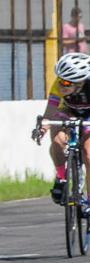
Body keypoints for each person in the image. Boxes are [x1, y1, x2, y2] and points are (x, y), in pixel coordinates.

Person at [32, 52, 90, 212]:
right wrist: (42, 128)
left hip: (88, 114)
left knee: (89, 154)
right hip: (68, 110)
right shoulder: (58, 85)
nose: (61, 86)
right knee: (57, 139)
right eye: (60, 81)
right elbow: (51, 111)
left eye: (66, 82)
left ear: (80, 82)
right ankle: (61, 177)